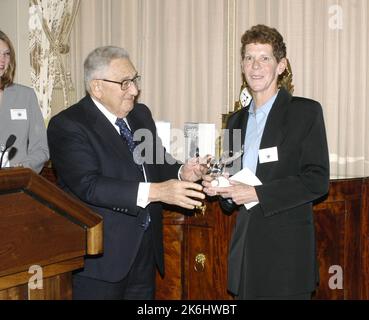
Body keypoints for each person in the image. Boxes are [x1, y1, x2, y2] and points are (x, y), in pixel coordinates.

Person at [47, 46, 207, 300]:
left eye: (134, 80)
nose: (134, 90)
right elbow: (90, 185)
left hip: (144, 250)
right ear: (97, 87)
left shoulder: (140, 116)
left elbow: (158, 163)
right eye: (125, 83)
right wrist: (158, 191)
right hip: (101, 258)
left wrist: (182, 172)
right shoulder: (68, 124)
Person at [203, 24, 330, 300]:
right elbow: (231, 193)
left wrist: (257, 193)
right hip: (245, 253)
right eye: (249, 58)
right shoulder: (235, 121)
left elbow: (317, 180)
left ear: (281, 65)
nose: (255, 66)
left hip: (286, 258)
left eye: (264, 58)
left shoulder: (305, 112)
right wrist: (218, 187)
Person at [0, 30, 49, 173]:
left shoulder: (25, 96)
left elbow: (41, 149)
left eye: (6, 54)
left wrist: (21, 169)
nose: (2, 59)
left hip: (17, 183)